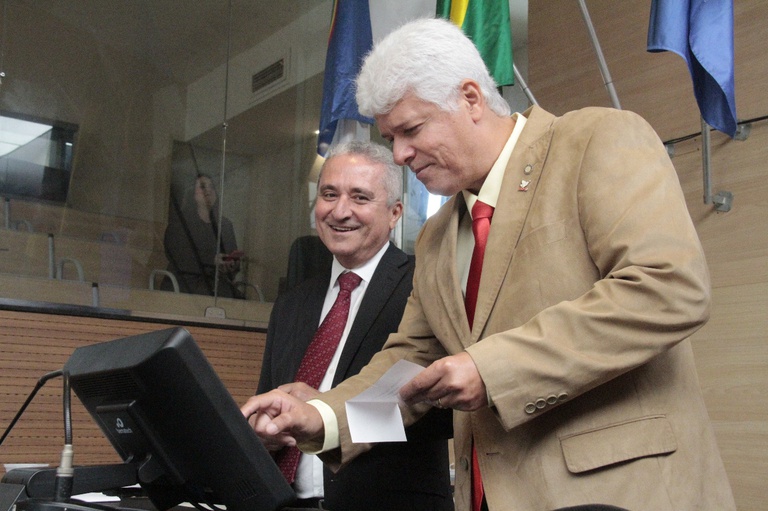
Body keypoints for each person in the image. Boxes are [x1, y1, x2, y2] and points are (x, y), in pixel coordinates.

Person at [242, 17, 736, 511]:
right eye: (391, 137)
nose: (400, 154)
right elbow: (412, 370)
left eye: (411, 130)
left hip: (623, 495)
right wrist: (324, 419)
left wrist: (492, 368)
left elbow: (669, 288)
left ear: (471, 99)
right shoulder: (436, 236)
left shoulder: (596, 140)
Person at [256, 140, 453, 510]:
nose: (340, 211)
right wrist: (266, 432)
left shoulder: (424, 285)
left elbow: (440, 410)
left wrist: (324, 414)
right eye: (329, 194)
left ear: (395, 213)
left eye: (360, 197)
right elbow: (270, 403)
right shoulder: (291, 304)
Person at [162, 173, 243, 298]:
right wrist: (212, 260)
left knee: (240, 301)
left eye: (212, 187)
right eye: (203, 187)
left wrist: (230, 265)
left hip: (217, 285)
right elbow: (178, 257)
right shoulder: (180, 223)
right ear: (192, 194)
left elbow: (231, 262)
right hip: (185, 284)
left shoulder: (225, 225)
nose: (208, 190)